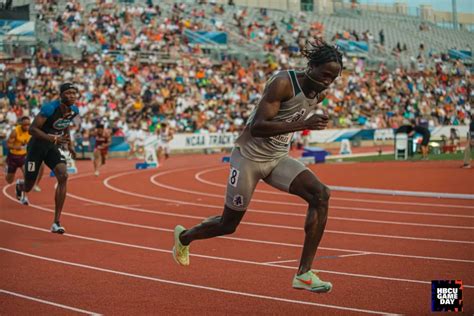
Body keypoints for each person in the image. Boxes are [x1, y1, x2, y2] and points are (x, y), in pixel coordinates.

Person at [172, 39, 343, 293]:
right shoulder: (283, 83)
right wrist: (304, 124)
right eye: (325, 74)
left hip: (277, 159)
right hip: (248, 159)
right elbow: (258, 127)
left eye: (333, 78)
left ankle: (304, 273)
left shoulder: (319, 93)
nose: (328, 81)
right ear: (312, 66)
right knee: (228, 225)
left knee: (321, 194)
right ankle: (184, 237)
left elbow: (289, 119)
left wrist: (302, 125)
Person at [16, 83, 79, 234]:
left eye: (74, 93)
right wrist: (53, 139)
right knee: (29, 186)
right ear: (61, 95)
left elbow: (65, 125)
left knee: (63, 175)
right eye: (69, 93)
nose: (72, 96)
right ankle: (21, 185)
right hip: (36, 148)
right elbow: (32, 129)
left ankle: (56, 222)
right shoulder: (49, 108)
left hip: (52, 147)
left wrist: (69, 144)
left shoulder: (74, 110)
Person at [5, 116, 31, 204]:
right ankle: (18, 183)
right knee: (9, 180)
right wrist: (17, 147)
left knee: (27, 175)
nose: (27, 127)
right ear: (21, 124)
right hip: (13, 157)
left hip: (23, 157)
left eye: (28, 125)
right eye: (25, 125)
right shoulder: (15, 131)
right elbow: (8, 145)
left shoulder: (31, 132)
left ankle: (24, 197)